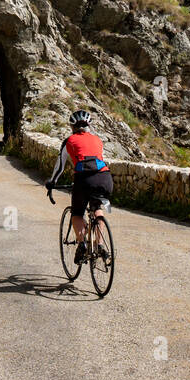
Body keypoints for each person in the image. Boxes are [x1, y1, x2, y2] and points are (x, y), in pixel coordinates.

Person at [47, 110, 112, 264]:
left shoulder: (69, 140)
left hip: (84, 180)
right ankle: (100, 244)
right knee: (98, 210)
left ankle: (82, 243)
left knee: (77, 214)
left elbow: (60, 166)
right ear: (89, 126)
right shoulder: (97, 140)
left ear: (72, 127)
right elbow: (101, 159)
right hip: (105, 179)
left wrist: (52, 183)